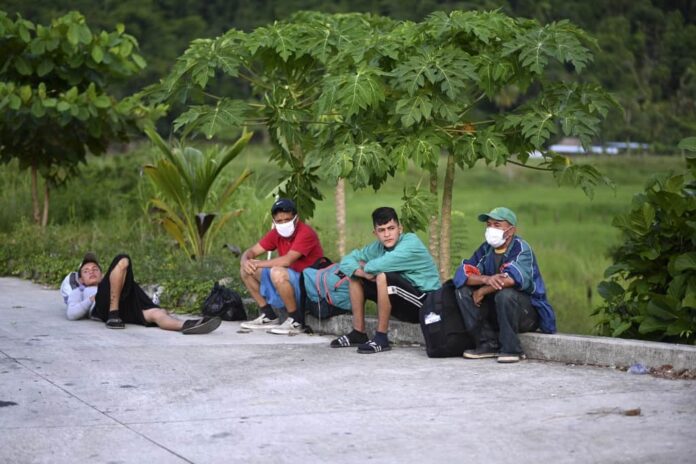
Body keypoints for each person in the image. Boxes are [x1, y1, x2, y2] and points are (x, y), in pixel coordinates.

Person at [453, 207, 556, 363]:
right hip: (497, 309)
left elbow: (510, 279)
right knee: (462, 291)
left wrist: (482, 291)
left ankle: (512, 349)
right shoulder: (486, 249)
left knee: (505, 294)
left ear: (510, 230)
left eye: (497, 225)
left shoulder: (521, 249)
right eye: (489, 224)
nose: (491, 229)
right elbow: (463, 274)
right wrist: (486, 279)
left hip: (526, 313)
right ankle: (488, 344)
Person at [332, 207, 441, 353]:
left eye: (391, 228)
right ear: (375, 233)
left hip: (424, 304)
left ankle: (381, 338)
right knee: (354, 277)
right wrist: (362, 273)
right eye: (382, 230)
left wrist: (367, 267)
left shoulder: (411, 243)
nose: (387, 234)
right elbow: (346, 261)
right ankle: (359, 333)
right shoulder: (378, 247)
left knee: (382, 275)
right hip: (402, 300)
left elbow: (377, 266)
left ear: (400, 228)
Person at [66, 252, 221, 334]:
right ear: (81, 279)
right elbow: (71, 314)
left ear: (102, 274)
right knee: (122, 259)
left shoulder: (109, 281)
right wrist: (90, 300)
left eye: (95, 269)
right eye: (86, 271)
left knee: (155, 313)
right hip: (103, 308)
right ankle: (113, 315)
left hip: (124, 309)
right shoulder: (80, 291)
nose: (91, 272)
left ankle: (186, 326)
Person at [239, 198, 324, 335]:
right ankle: (268, 315)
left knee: (277, 271)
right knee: (246, 270)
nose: (283, 223)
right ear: (274, 221)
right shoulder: (275, 234)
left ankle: (296, 321)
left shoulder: (305, 233)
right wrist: (245, 260)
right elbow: (252, 251)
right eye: (279, 221)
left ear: (296, 219)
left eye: (287, 220)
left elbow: (287, 260)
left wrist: (256, 262)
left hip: (309, 287)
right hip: (288, 281)